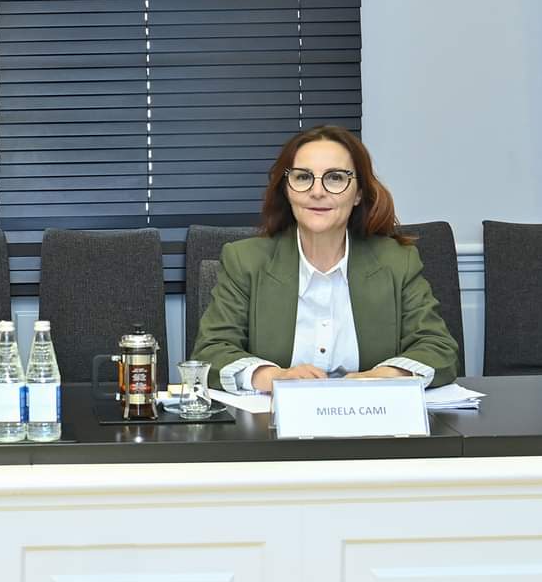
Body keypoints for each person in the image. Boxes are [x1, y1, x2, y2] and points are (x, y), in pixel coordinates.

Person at [191, 125, 458, 393]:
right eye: (303, 177)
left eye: (335, 178)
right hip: (273, 416)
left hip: (370, 414)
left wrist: (385, 376)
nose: (317, 191)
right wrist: (271, 376)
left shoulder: (397, 261)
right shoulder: (245, 260)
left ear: (359, 193)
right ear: (287, 189)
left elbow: (438, 347)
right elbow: (211, 350)